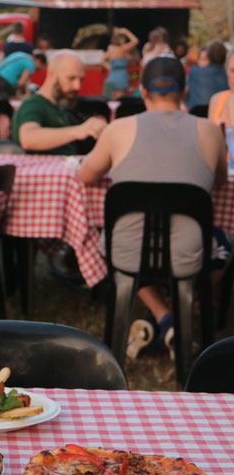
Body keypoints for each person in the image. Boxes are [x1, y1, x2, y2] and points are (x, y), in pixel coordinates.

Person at [79, 56, 228, 359]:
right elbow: (221, 181)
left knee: (113, 239)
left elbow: (86, 175)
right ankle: (176, 315)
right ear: (184, 91)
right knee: (224, 245)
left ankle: (163, 316)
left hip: (126, 252)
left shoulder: (118, 129)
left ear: (142, 92)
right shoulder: (210, 131)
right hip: (189, 254)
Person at [11, 51, 106, 154]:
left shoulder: (59, 107)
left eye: (81, 80)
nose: (77, 86)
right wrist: (78, 130)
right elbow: (28, 138)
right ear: (52, 74)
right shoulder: (33, 105)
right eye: (71, 78)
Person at [189, 41, 229, 114]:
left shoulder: (194, 71)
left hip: (197, 114)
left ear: (209, 57)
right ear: (225, 57)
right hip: (220, 113)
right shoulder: (228, 75)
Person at [102, 27, 139, 99]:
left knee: (108, 99)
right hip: (121, 77)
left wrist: (108, 66)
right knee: (120, 101)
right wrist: (126, 32)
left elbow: (102, 60)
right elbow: (135, 41)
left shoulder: (110, 50)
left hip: (111, 77)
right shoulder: (122, 49)